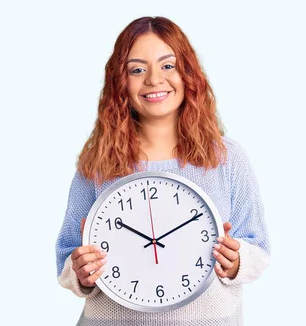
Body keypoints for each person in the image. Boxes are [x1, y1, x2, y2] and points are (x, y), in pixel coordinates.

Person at [55, 16, 270, 326]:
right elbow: (67, 255)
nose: (154, 80)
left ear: (188, 74)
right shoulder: (98, 163)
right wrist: (82, 273)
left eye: (168, 66)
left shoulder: (225, 158)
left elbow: (257, 246)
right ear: (121, 83)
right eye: (137, 69)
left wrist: (237, 261)